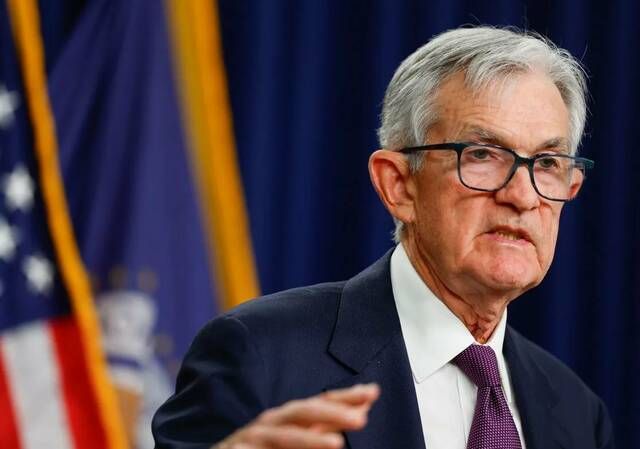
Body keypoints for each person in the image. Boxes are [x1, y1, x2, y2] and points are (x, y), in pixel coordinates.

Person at [152, 26, 614, 449]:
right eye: (482, 155)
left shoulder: (578, 415)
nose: (522, 195)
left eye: (547, 164)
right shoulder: (259, 356)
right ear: (399, 185)